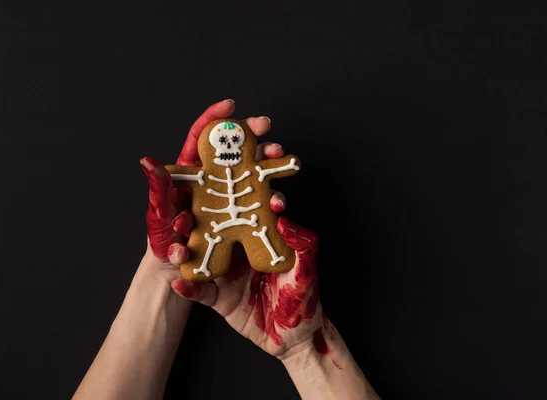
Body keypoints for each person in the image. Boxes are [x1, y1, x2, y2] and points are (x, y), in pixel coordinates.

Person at [72, 100, 380, 400]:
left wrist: (306, 349)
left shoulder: (249, 170)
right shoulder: (206, 175)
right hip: (213, 231)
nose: (230, 146)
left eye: (234, 140)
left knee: (263, 237)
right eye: (224, 141)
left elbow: (275, 167)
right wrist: (165, 269)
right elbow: (181, 173)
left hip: (251, 222)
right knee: (224, 243)